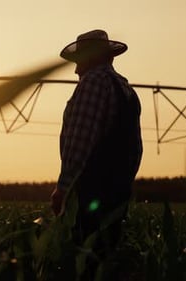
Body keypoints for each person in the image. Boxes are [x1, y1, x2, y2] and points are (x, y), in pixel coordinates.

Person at [51, 29, 143, 278]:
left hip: (90, 193)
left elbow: (80, 141)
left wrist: (63, 188)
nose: (76, 70)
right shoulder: (125, 90)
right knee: (105, 260)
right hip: (116, 194)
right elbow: (135, 149)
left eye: (79, 61)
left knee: (85, 260)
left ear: (92, 58)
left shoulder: (93, 83)